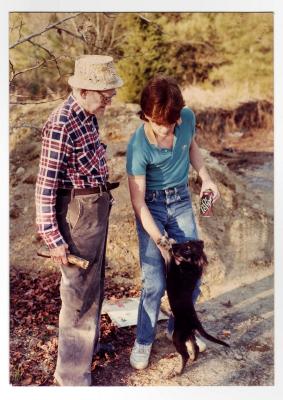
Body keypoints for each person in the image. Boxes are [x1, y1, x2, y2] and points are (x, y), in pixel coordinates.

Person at [35, 55, 123, 386]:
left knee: (93, 285)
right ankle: (71, 377)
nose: (110, 99)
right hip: (77, 216)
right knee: (77, 293)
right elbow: (45, 188)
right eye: (105, 93)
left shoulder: (88, 116)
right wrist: (54, 239)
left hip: (96, 208)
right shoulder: (60, 124)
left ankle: (86, 349)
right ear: (84, 90)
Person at [126, 76, 220, 370]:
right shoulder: (137, 146)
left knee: (193, 271)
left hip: (180, 199)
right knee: (154, 282)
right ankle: (143, 339)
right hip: (150, 206)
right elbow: (138, 203)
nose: (167, 129)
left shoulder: (186, 118)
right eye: (160, 123)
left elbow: (191, 147)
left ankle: (178, 327)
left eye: (172, 121)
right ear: (146, 116)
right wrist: (161, 241)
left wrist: (206, 177)